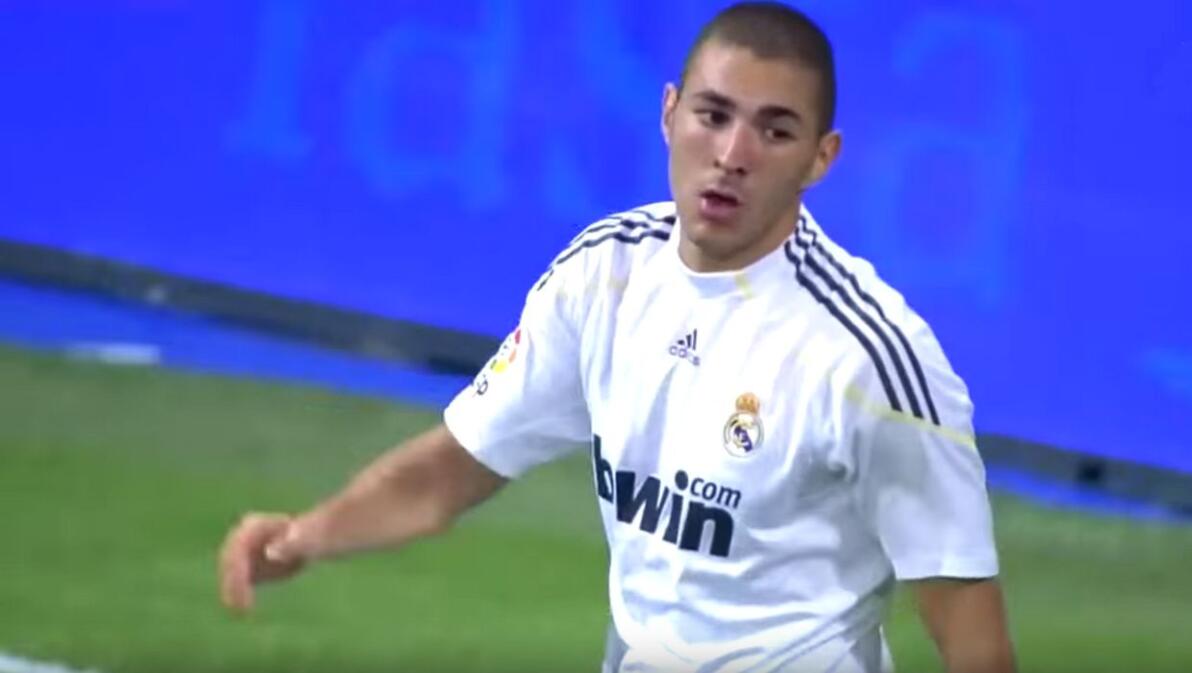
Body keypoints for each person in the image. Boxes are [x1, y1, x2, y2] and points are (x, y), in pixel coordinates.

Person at [217, 3, 1016, 671]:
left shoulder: (870, 359)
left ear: (820, 158)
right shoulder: (605, 275)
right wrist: (304, 536)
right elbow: (453, 468)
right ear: (669, 113)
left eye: (775, 132)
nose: (732, 155)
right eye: (713, 116)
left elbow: (971, 632)